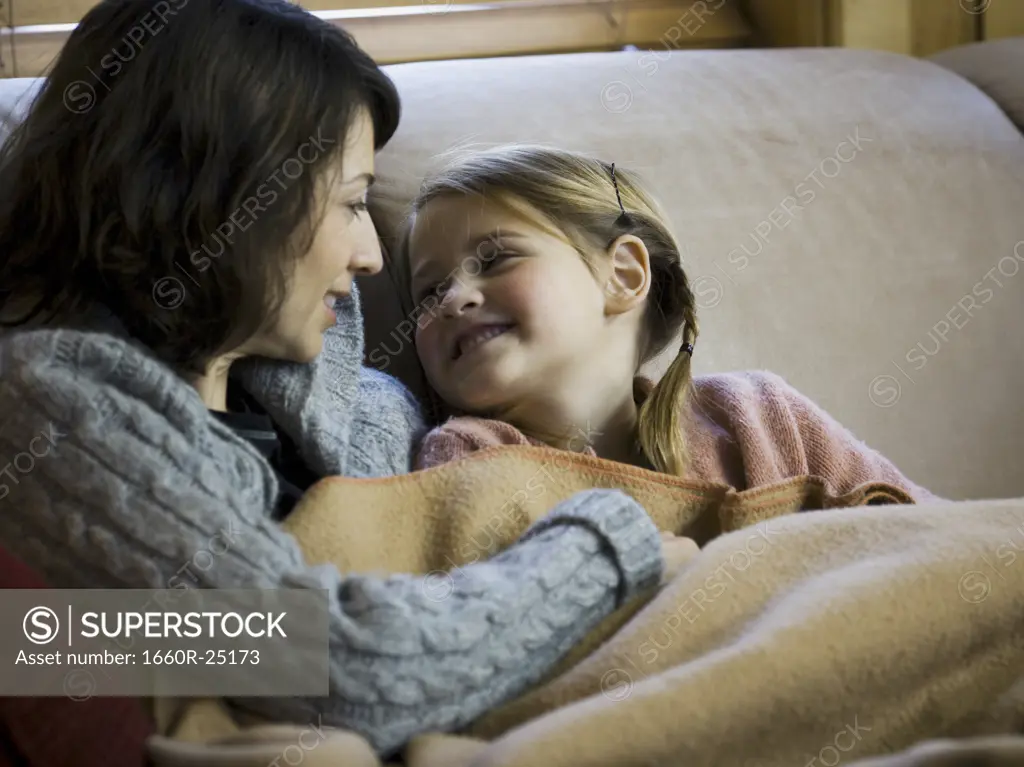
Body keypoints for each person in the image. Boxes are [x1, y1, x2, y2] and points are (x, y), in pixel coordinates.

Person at [0, 1, 692, 757]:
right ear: (225, 188)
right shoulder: (44, 401)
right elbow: (339, 668)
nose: (370, 257)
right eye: (354, 202)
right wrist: (611, 550)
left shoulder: (379, 410)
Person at [401, 145, 938, 502]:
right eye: (429, 291)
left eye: (495, 259)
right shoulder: (464, 457)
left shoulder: (760, 414)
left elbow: (933, 538)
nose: (453, 300)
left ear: (624, 276)